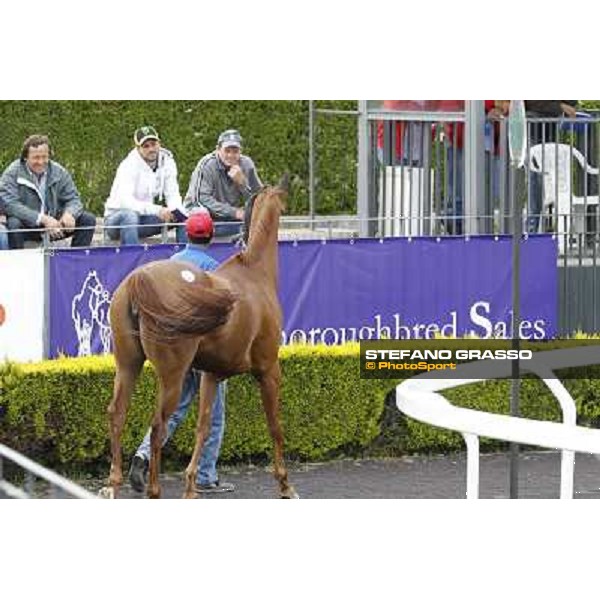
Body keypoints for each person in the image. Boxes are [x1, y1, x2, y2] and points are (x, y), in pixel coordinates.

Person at [128, 210, 235, 494]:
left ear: (186, 235)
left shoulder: (171, 263)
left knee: (172, 409)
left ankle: (143, 455)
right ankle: (205, 476)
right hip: (204, 352)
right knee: (212, 413)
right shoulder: (214, 267)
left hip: (172, 348)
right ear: (211, 236)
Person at [0, 134, 96, 250]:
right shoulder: (12, 172)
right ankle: (20, 264)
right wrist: (43, 219)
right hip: (28, 225)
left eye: (44, 157)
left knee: (87, 219)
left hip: (55, 225)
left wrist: (70, 213)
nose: (41, 162)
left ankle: (77, 262)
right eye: (36, 157)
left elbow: (74, 199)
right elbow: (10, 205)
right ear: (25, 157)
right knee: (14, 223)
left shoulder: (59, 172)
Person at [104, 126, 187, 245]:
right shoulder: (128, 165)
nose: (151, 149)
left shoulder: (168, 161)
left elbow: (173, 194)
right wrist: (158, 210)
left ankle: (184, 259)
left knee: (182, 215)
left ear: (159, 143)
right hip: (116, 221)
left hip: (145, 219)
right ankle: (133, 260)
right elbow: (126, 202)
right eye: (146, 146)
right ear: (138, 148)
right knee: (130, 216)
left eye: (153, 144)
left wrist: (174, 211)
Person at [184, 129, 262, 237]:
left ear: (241, 151)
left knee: (260, 224)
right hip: (200, 217)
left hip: (229, 218)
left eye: (235, 151)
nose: (231, 155)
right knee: (201, 213)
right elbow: (200, 199)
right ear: (218, 149)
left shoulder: (246, 164)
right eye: (227, 151)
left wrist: (242, 183)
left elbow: (261, 200)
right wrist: (233, 212)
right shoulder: (207, 164)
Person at [525, 101, 578, 233]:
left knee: (548, 183)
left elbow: (572, 102)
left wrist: (564, 105)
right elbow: (531, 102)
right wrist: (560, 106)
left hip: (549, 130)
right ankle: (531, 231)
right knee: (536, 183)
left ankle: (549, 232)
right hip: (534, 130)